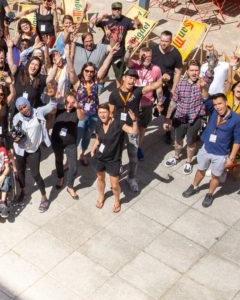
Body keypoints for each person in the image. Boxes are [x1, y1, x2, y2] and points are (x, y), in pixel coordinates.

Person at [182, 83, 240, 208]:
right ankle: (194, 186)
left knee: (216, 176)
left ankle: (210, 194)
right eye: (215, 105)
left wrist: (231, 159)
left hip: (221, 154)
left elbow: (237, 140)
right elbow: (205, 98)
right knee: (201, 170)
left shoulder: (237, 119)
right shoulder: (214, 111)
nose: (217, 107)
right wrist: (204, 88)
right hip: (206, 148)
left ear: (226, 102)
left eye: (220, 104)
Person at [108, 67, 163, 193]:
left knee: (133, 157)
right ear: (124, 78)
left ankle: (131, 178)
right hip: (118, 128)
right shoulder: (114, 94)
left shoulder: (137, 91)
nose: (132, 80)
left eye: (134, 78)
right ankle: (119, 167)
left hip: (133, 128)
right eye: (130, 77)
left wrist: (162, 79)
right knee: (117, 153)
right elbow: (111, 113)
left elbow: (152, 86)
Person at [66, 36, 117, 167]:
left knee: (88, 137)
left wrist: (111, 54)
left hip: (94, 115)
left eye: (91, 72)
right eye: (86, 71)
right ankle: (69, 160)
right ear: (83, 71)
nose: (89, 73)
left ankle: (82, 154)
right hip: (81, 115)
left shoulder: (96, 81)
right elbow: (71, 70)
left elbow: (104, 66)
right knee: (77, 137)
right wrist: (68, 57)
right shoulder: (78, 83)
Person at [12, 92, 57, 212]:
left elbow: (52, 105)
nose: (23, 110)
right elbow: (13, 132)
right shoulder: (17, 117)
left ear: (28, 104)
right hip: (20, 149)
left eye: (24, 106)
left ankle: (44, 197)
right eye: (20, 109)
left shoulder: (38, 112)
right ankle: (23, 191)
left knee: (35, 174)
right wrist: (15, 137)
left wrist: (52, 95)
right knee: (20, 172)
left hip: (34, 150)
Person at [91, 104, 138, 213]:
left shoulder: (118, 123)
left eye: (104, 112)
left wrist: (134, 121)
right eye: (100, 113)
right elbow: (98, 139)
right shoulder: (99, 124)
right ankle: (101, 195)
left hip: (113, 159)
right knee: (100, 178)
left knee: (115, 185)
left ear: (109, 113)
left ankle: (117, 200)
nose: (102, 115)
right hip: (100, 157)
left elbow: (133, 131)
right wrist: (93, 150)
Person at [163, 61, 204, 174]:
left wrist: (203, 87)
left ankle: (189, 161)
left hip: (195, 119)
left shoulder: (202, 84)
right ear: (187, 71)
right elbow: (174, 102)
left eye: (196, 70)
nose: (194, 73)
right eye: (192, 70)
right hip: (180, 117)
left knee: (191, 142)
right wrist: (167, 118)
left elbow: (205, 96)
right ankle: (176, 157)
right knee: (178, 140)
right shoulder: (181, 84)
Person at [126, 46, 162, 160]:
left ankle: (137, 148)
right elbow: (126, 60)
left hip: (147, 105)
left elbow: (159, 87)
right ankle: (123, 146)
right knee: (127, 128)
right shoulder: (135, 64)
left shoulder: (156, 69)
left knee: (142, 128)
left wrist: (160, 102)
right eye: (143, 56)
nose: (146, 58)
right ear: (139, 55)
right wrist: (130, 50)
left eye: (149, 56)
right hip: (132, 104)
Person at [51, 91, 84, 199]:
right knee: (59, 160)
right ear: (64, 100)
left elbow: (81, 117)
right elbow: (52, 112)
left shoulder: (76, 110)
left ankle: (70, 186)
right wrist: (55, 99)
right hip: (57, 141)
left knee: (73, 167)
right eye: (67, 102)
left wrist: (78, 107)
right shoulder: (59, 108)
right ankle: (60, 177)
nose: (69, 105)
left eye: (72, 102)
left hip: (70, 142)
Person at [92, 2, 136, 80]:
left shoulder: (126, 20)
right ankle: (99, 88)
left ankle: (119, 89)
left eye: (119, 9)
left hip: (118, 54)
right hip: (106, 52)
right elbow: (92, 22)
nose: (117, 11)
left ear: (121, 9)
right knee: (101, 74)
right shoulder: (106, 19)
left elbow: (137, 26)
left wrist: (138, 23)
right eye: (115, 9)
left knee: (119, 74)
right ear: (112, 10)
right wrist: (100, 17)